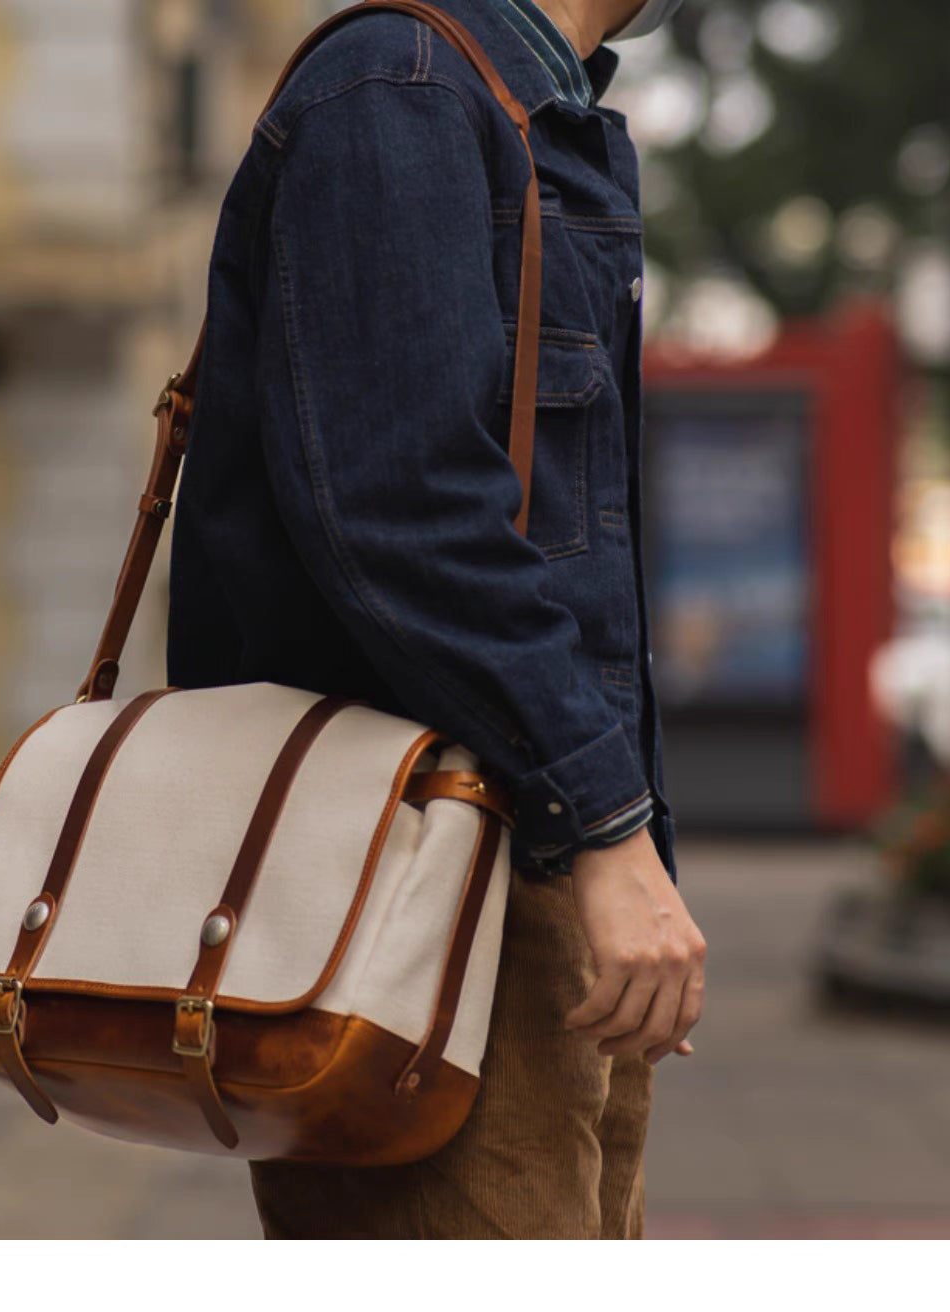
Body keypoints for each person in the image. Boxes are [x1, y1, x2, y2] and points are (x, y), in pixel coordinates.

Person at [166, 0, 706, 1239]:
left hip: (528, 872)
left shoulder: (517, 108)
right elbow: (401, 510)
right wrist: (613, 825)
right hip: (425, 896)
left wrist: (615, 847)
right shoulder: (399, 92)